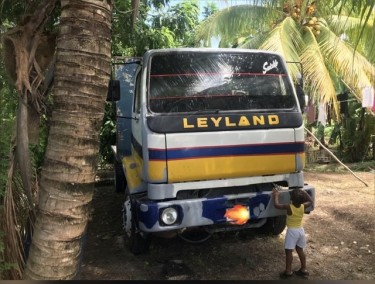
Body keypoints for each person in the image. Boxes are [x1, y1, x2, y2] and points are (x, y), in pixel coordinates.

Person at [272, 187, 313, 279]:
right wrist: (305, 193)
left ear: (291, 199)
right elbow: (311, 201)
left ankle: (288, 272)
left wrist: (276, 195)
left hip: (292, 232)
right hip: (301, 231)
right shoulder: (303, 206)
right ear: (303, 200)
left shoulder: (289, 207)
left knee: (289, 252)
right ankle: (303, 270)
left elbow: (276, 205)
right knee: (300, 250)